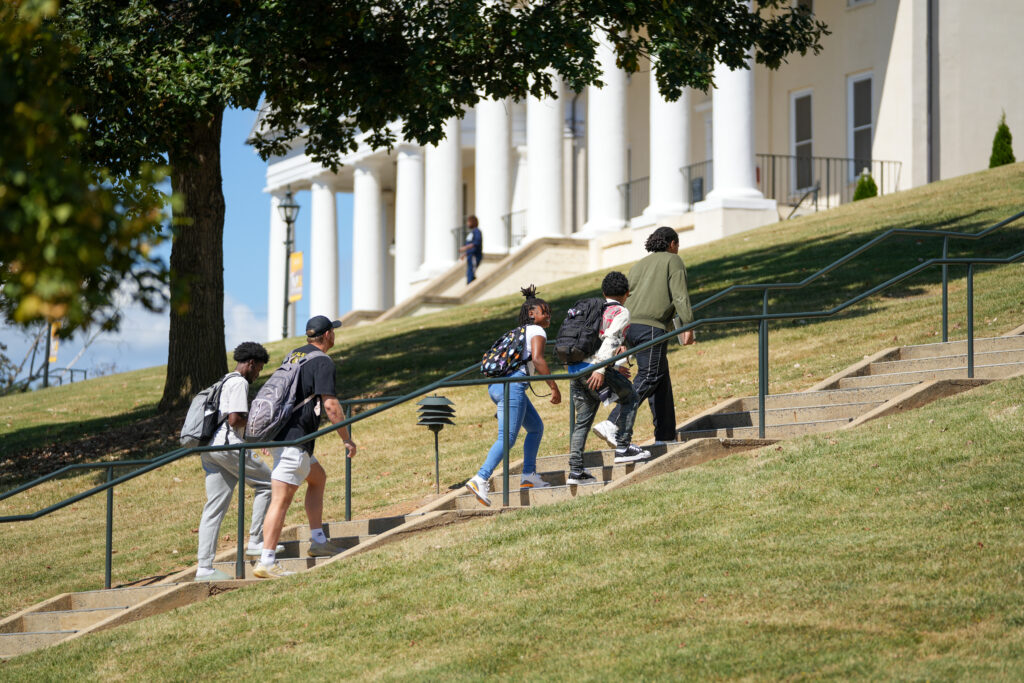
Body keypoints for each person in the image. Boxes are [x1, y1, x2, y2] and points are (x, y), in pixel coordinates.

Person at [253, 315, 358, 579]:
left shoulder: (294, 355)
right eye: (333, 332)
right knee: (280, 500)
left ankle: (318, 540)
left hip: (286, 439)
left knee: (318, 477)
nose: (334, 336)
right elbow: (331, 406)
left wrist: (271, 434)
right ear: (327, 336)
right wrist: (346, 438)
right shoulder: (322, 361)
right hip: (294, 442)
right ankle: (266, 560)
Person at [593, 226, 695, 446]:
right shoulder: (673, 260)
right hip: (651, 327)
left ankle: (665, 437)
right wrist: (688, 324)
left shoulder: (639, 265)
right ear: (672, 244)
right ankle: (613, 422)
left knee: (661, 382)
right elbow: (680, 295)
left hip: (631, 325)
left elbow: (627, 298)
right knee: (649, 376)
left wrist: (623, 338)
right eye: (677, 245)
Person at [465, 285, 561, 506]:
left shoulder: (518, 332)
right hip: (513, 386)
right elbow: (537, 359)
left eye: (549, 313)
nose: (548, 316)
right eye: (544, 312)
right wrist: (553, 387)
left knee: (536, 428)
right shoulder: (537, 331)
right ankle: (480, 478)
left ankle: (529, 476)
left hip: (499, 386)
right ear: (531, 314)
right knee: (507, 438)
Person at [195, 342, 277, 581]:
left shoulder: (224, 380)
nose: (258, 374)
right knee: (269, 483)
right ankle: (256, 541)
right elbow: (235, 419)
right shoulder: (240, 382)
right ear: (250, 363)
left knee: (214, 507)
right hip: (229, 446)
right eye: (259, 369)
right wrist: (257, 425)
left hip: (209, 448)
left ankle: (204, 568)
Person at [566, 272, 650, 485]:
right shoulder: (620, 311)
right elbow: (611, 339)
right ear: (627, 293)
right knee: (631, 397)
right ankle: (623, 447)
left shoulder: (594, 309)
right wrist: (601, 369)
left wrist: (608, 367)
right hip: (594, 368)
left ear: (604, 292)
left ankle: (576, 471)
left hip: (575, 369)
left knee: (582, 421)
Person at [458, 215, 483, 284]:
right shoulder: (472, 233)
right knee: (469, 272)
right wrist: (465, 254)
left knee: (471, 272)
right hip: (470, 256)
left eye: (468, 222)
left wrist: (465, 248)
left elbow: (476, 243)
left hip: (475, 256)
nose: (467, 224)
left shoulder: (477, 231)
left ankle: (471, 284)